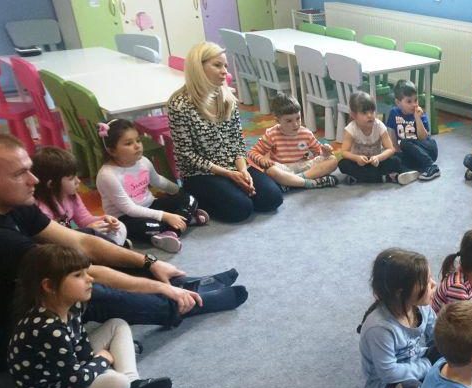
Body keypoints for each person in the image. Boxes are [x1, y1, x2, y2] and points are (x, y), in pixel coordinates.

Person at [0, 131, 247, 371]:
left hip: (21, 296)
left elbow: (81, 243)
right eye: (20, 174)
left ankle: (185, 285)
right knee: (83, 290)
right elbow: (86, 273)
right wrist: (160, 288)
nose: (34, 180)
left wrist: (150, 262)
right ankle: (183, 304)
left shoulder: (11, 202)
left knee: (92, 241)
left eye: (29, 169)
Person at [8, 245, 173, 388]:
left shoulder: (72, 305)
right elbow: (78, 380)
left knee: (117, 325)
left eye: (86, 272)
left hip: (67, 369)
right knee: (118, 383)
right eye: (78, 275)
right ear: (49, 286)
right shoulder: (48, 329)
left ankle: (132, 383)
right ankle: (125, 386)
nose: (90, 279)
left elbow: (81, 345)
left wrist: (93, 361)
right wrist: (104, 359)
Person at [167, 41, 283, 223]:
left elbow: (238, 141)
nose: (225, 72)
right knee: (241, 209)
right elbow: (186, 154)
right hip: (201, 173)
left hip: (232, 165)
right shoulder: (180, 104)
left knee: (272, 198)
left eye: (225, 66)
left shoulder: (227, 97)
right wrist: (229, 175)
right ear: (198, 67)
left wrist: (242, 170)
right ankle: (195, 197)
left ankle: (231, 188)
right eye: (217, 65)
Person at [96, 119, 207, 253]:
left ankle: (173, 229)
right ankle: (183, 221)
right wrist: (166, 216)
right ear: (112, 151)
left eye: (138, 140)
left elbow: (158, 181)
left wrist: (180, 191)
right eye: (128, 143)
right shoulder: (107, 175)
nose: (137, 146)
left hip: (150, 205)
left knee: (190, 199)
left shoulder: (143, 161)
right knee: (150, 226)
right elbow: (130, 209)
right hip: (125, 218)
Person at [357, 248, 437, 388]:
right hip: (387, 382)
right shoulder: (379, 328)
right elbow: (389, 372)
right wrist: (428, 364)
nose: (434, 284)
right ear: (401, 293)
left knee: (455, 352)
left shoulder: (421, 307)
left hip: (418, 360)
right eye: (426, 282)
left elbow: (436, 335)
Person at [31, 146, 127, 246]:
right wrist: (87, 231)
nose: (78, 181)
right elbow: (54, 240)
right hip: (57, 245)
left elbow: (84, 219)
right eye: (71, 178)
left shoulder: (71, 196)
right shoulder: (43, 211)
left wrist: (104, 219)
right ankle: (115, 248)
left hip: (73, 237)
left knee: (120, 226)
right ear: (52, 184)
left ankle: (114, 247)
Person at [246, 93, 339, 190]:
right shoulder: (271, 134)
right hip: (283, 169)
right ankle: (310, 183)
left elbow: (318, 152)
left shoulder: (306, 133)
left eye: (298, 118)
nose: (295, 124)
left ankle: (291, 183)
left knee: (332, 160)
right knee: (270, 170)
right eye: (289, 121)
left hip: (304, 167)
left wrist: (325, 152)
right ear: (278, 120)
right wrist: (261, 159)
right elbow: (252, 152)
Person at [337, 91, 419, 185]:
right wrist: (357, 158)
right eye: (364, 113)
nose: (370, 116)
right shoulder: (351, 129)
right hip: (359, 164)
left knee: (396, 159)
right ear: (354, 115)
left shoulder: (379, 126)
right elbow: (344, 152)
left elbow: (391, 149)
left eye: (372, 112)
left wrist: (378, 158)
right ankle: (386, 177)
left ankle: (359, 178)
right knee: (343, 164)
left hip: (377, 163)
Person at [385, 80, 440, 181]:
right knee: (392, 158)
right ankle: (408, 172)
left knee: (404, 142)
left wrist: (417, 118)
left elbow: (423, 137)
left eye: (416, 100)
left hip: (427, 150)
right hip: (410, 153)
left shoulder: (420, 114)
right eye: (409, 101)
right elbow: (391, 133)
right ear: (398, 103)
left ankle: (432, 167)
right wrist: (396, 152)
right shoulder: (394, 112)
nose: (414, 104)